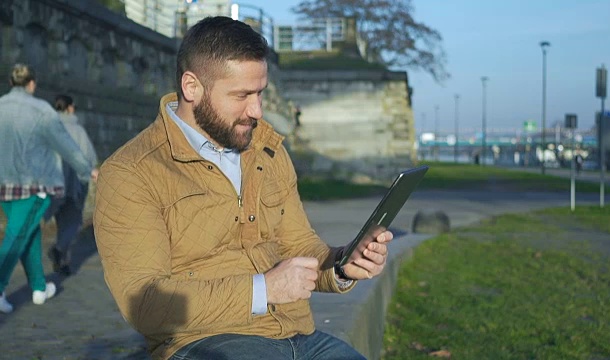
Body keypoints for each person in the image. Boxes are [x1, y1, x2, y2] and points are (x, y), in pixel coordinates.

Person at [94, 16, 393, 360]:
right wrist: (263, 290)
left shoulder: (267, 148)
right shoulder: (132, 172)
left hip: (299, 335)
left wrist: (342, 264)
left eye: (260, 92)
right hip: (204, 341)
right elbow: (144, 304)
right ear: (191, 87)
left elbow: (299, 245)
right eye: (242, 95)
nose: (257, 110)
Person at [0, 64, 98, 314]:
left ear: (12, 84)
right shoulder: (41, 110)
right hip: (34, 185)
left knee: (28, 232)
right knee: (16, 236)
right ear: (31, 84)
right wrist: (88, 169)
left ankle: (39, 287)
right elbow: (65, 144)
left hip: (4, 186)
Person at [45, 95, 98, 276]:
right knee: (74, 222)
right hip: (76, 183)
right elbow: (89, 157)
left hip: (54, 182)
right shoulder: (77, 130)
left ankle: (63, 261)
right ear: (69, 108)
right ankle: (59, 250)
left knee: (62, 222)